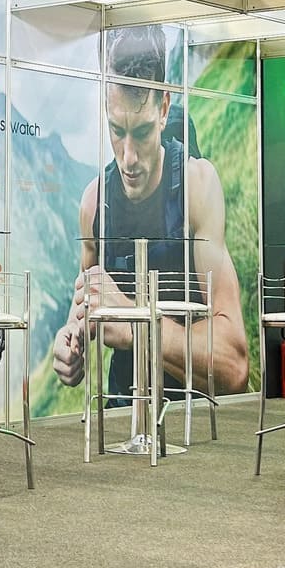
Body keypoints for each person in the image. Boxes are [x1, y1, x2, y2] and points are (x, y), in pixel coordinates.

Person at [50, 27, 249, 414]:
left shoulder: (196, 188)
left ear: (163, 108)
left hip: (191, 425)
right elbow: (85, 309)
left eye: (141, 132)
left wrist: (135, 323)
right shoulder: (93, 204)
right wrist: (70, 342)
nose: (128, 157)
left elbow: (234, 366)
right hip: (121, 416)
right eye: (116, 130)